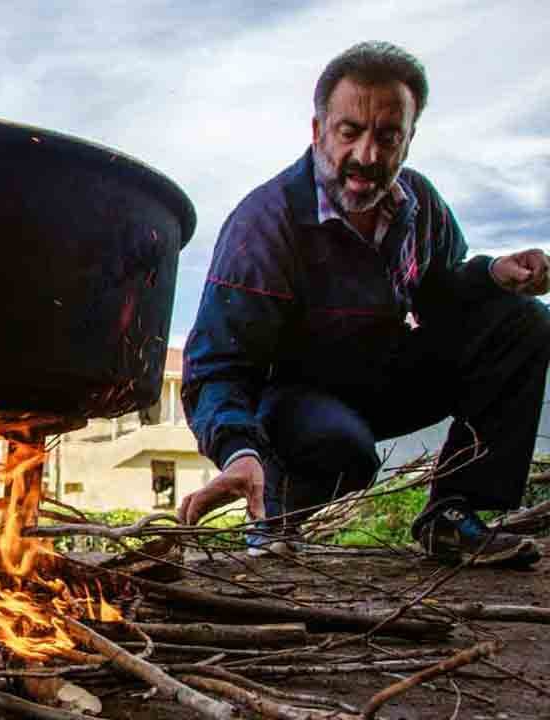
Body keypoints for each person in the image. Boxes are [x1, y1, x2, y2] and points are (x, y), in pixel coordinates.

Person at [178, 40, 550, 566]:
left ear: (409, 139)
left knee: (523, 322)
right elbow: (216, 366)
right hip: (294, 401)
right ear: (317, 131)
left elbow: (443, 297)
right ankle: (275, 523)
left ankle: (453, 513)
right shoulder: (265, 226)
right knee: (338, 444)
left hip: (382, 372)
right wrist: (239, 450)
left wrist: (493, 276)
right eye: (350, 132)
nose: (368, 156)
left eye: (388, 137)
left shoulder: (419, 205)